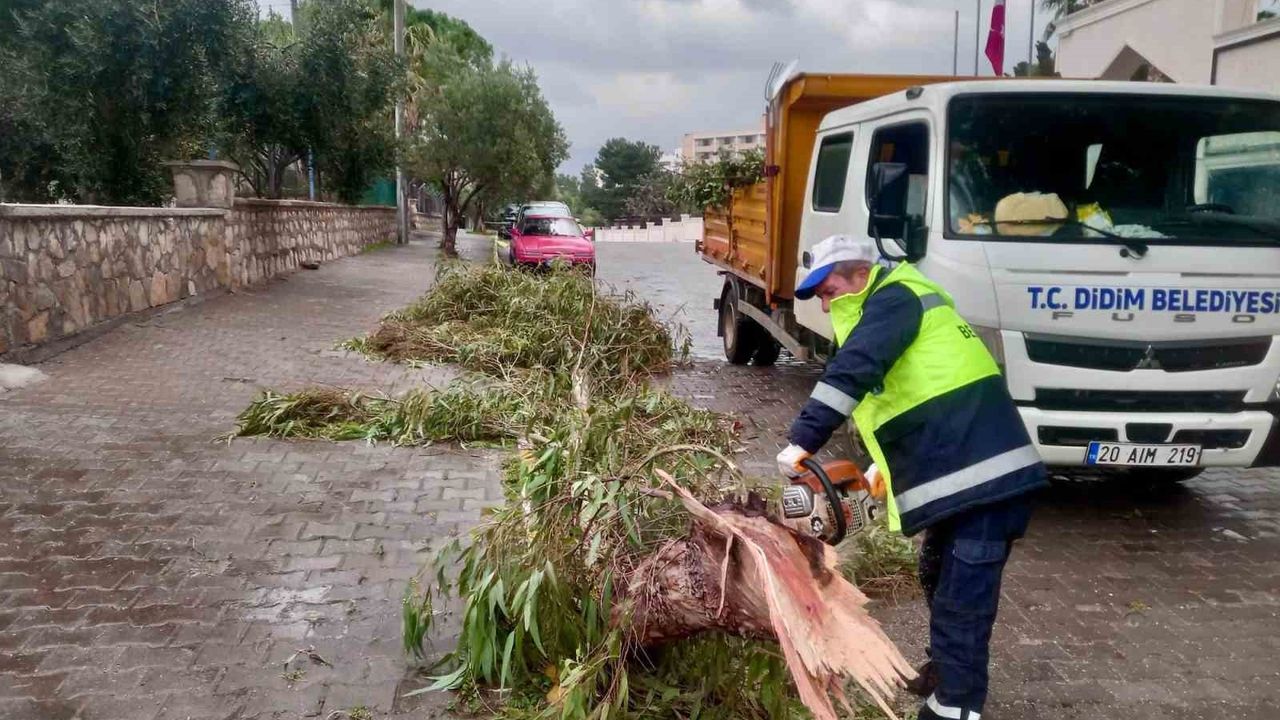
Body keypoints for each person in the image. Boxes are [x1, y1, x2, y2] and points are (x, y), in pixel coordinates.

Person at [776, 234, 1047, 720]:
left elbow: (852, 372)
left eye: (828, 289)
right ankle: (945, 669)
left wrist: (802, 441)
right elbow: (915, 395)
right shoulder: (896, 301)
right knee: (936, 573)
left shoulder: (895, 299)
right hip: (966, 475)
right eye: (818, 295)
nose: (825, 302)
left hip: (987, 484)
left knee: (963, 602)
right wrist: (882, 467)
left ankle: (955, 706)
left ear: (860, 274)